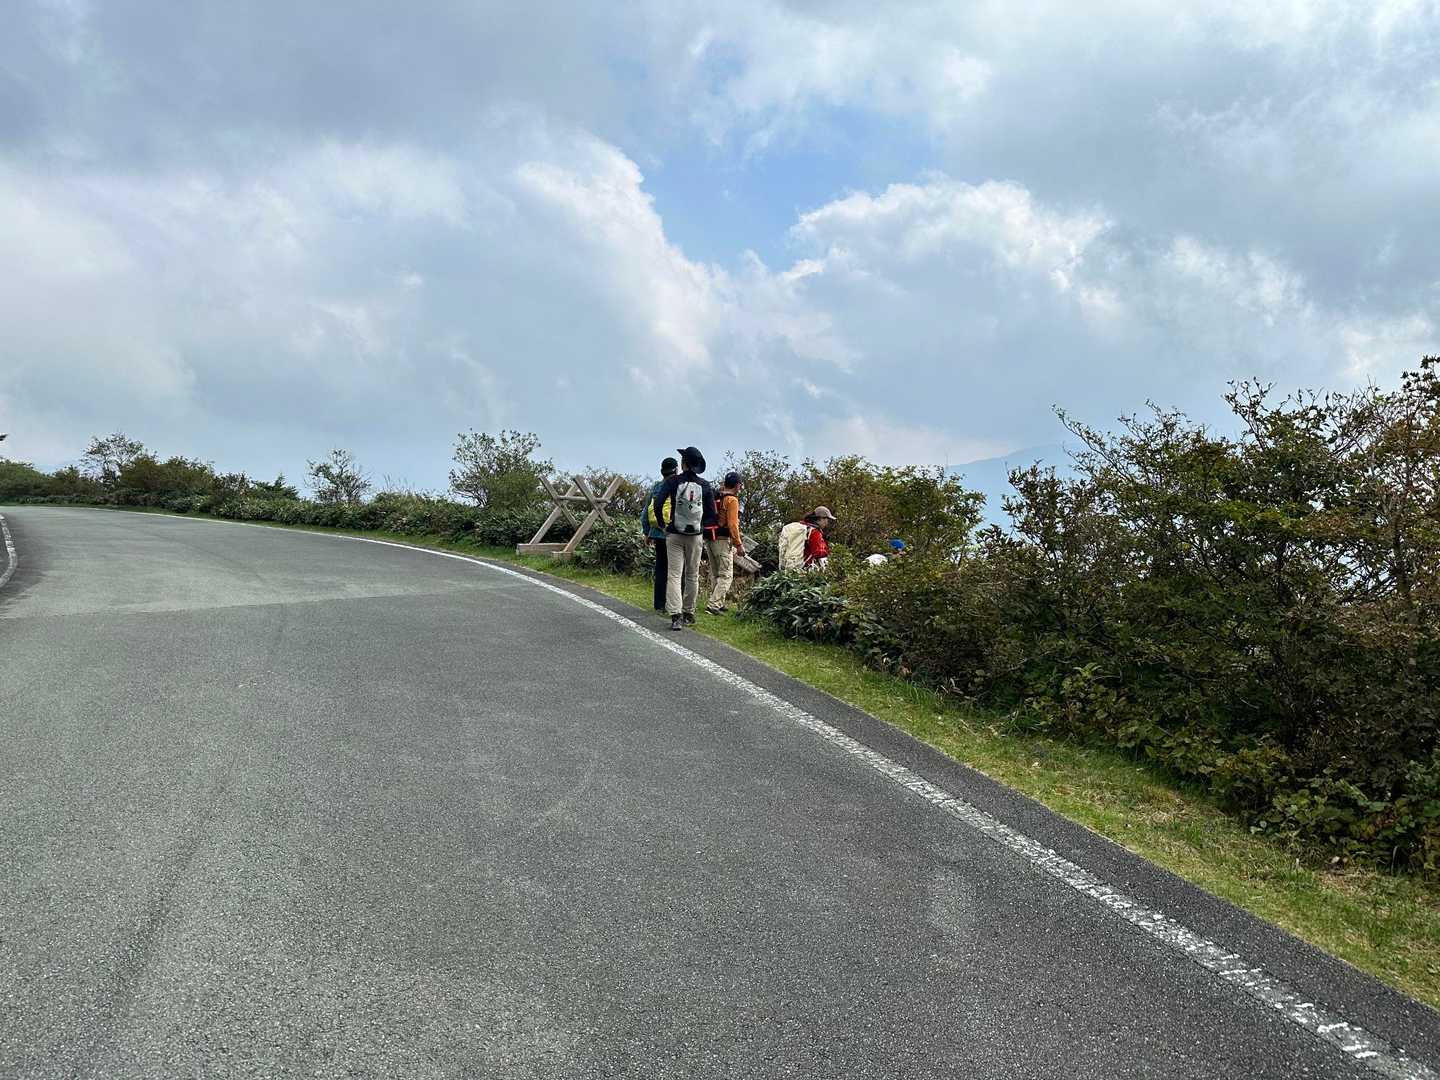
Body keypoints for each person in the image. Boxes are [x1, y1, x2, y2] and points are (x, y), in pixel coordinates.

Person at [650, 446, 717, 631]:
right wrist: (700, 526)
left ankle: (675, 616)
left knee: (673, 574)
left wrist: (663, 525)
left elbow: (658, 503)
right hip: (695, 536)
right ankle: (689, 613)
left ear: (684, 463)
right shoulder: (704, 485)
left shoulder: (673, 481)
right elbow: (712, 515)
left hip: (674, 533)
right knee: (692, 574)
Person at [640, 456, 678, 611]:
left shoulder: (656, 486)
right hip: (673, 533)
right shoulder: (677, 485)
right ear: (676, 469)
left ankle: (659, 604)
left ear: (662, 471)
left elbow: (645, 513)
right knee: (675, 571)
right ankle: (674, 604)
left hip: (657, 533)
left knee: (661, 568)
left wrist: (647, 532)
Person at [704, 471, 744, 615]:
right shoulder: (732, 500)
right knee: (726, 575)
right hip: (722, 540)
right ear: (737, 485)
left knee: (716, 573)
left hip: (710, 538)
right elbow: (733, 525)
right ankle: (713, 605)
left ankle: (718, 602)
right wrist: (738, 544)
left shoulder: (717, 496)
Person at [777, 506, 837, 571]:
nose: (827, 523)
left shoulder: (803, 526)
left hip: (791, 566)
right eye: (827, 519)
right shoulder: (814, 532)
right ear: (821, 518)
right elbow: (818, 552)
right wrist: (830, 552)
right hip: (805, 568)